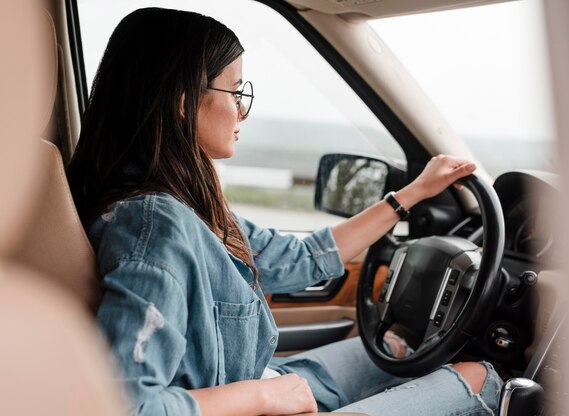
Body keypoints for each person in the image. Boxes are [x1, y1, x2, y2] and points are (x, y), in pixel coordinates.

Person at [68, 7, 502, 416]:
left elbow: (303, 257)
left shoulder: (186, 205)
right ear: (183, 101)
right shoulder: (156, 226)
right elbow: (126, 406)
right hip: (254, 396)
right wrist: (262, 394)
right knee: (481, 379)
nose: (243, 110)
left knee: (397, 346)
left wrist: (413, 193)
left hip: (261, 380)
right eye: (235, 91)